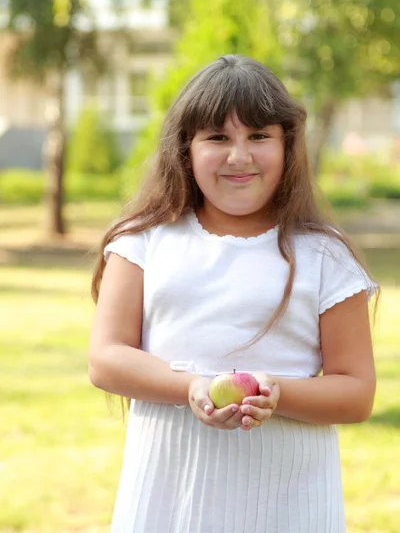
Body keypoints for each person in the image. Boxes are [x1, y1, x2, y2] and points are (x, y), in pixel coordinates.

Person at [89, 55, 378, 533]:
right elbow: (106, 359)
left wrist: (278, 394)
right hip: (168, 501)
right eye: (217, 137)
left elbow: (357, 392)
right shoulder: (142, 242)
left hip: (290, 506)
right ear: (186, 149)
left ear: (288, 145)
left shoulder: (325, 256)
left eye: (259, 136)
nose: (238, 156)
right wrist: (192, 388)